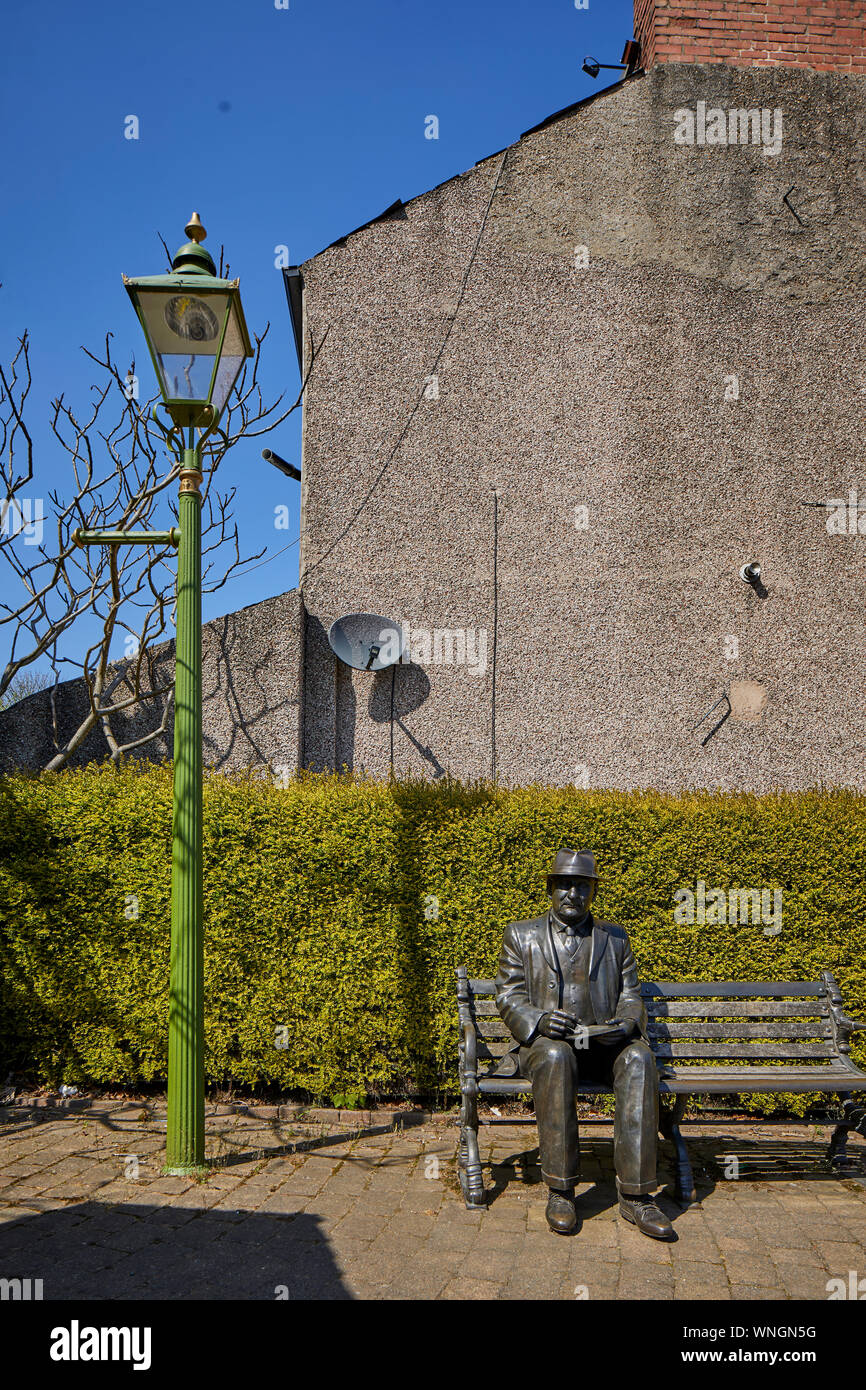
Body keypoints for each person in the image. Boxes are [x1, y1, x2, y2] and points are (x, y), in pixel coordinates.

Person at [494, 848, 674, 1238]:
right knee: (557, 1055)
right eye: (563, 884)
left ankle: (637, 1195)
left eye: (581, 885)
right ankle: (560, 1189)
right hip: (545, 1047)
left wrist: (626, 1022)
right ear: (550, 888)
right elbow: (508, 995)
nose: (571, 893)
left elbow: (631, 994)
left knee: (640, 1059)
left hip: (602, 1045)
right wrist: (540, 1019)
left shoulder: (615, 938)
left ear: (593, 891)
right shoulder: (520, 935)